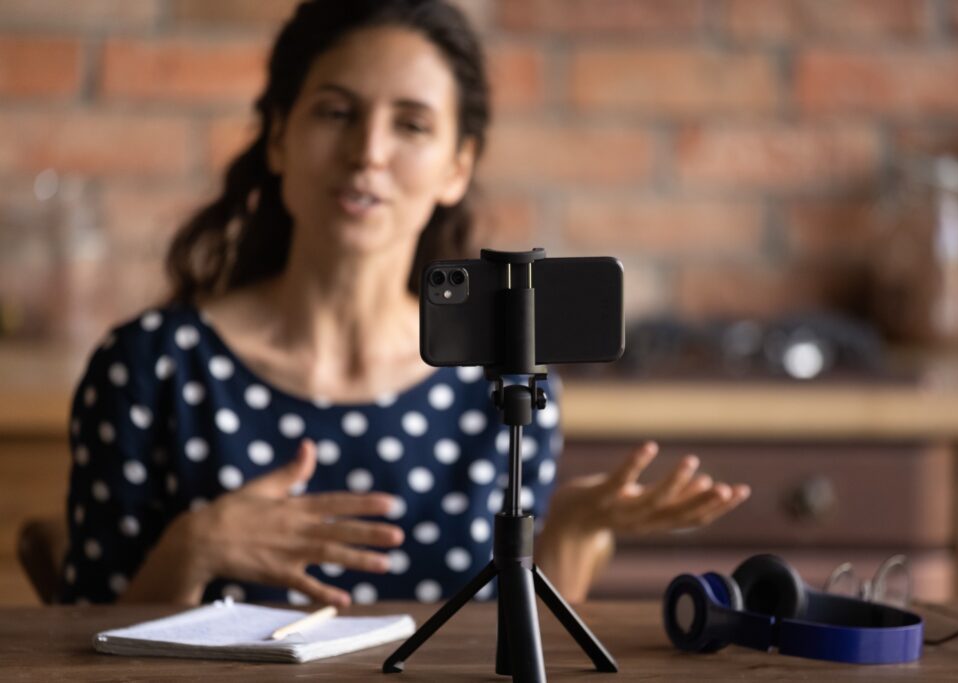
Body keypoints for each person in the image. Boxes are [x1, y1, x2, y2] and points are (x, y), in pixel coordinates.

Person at [59, 0, 749, 608]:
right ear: (277, 137)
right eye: (336, 112)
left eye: (412, 125)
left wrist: (570, 530)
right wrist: (193, 549)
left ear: (458, 166)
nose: (368, 152)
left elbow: (517, 648)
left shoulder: (502, 375)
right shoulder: (150, 366)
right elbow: (76, 644)